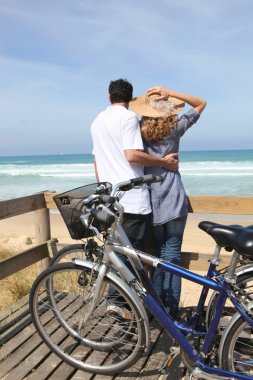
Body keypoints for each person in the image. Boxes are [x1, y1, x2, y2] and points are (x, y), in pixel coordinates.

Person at [129, 86, 206, 317]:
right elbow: (200, 102)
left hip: (149, 201)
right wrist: (171, 92)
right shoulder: (175, 128)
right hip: (173, 199)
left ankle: (156, 311)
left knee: (154, 259)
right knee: (171, 257)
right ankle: (170, 312)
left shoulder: (138, 133)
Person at [91, 79, 179, 253]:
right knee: (134, 258)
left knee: (116, 259)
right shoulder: (129, 118)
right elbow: (132, 155)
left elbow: (96, 161)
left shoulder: (97, 121)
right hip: (132, 202)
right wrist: (163, 162)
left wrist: (103, 189)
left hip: (111, 200)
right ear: (130, 99)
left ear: (109, 97)